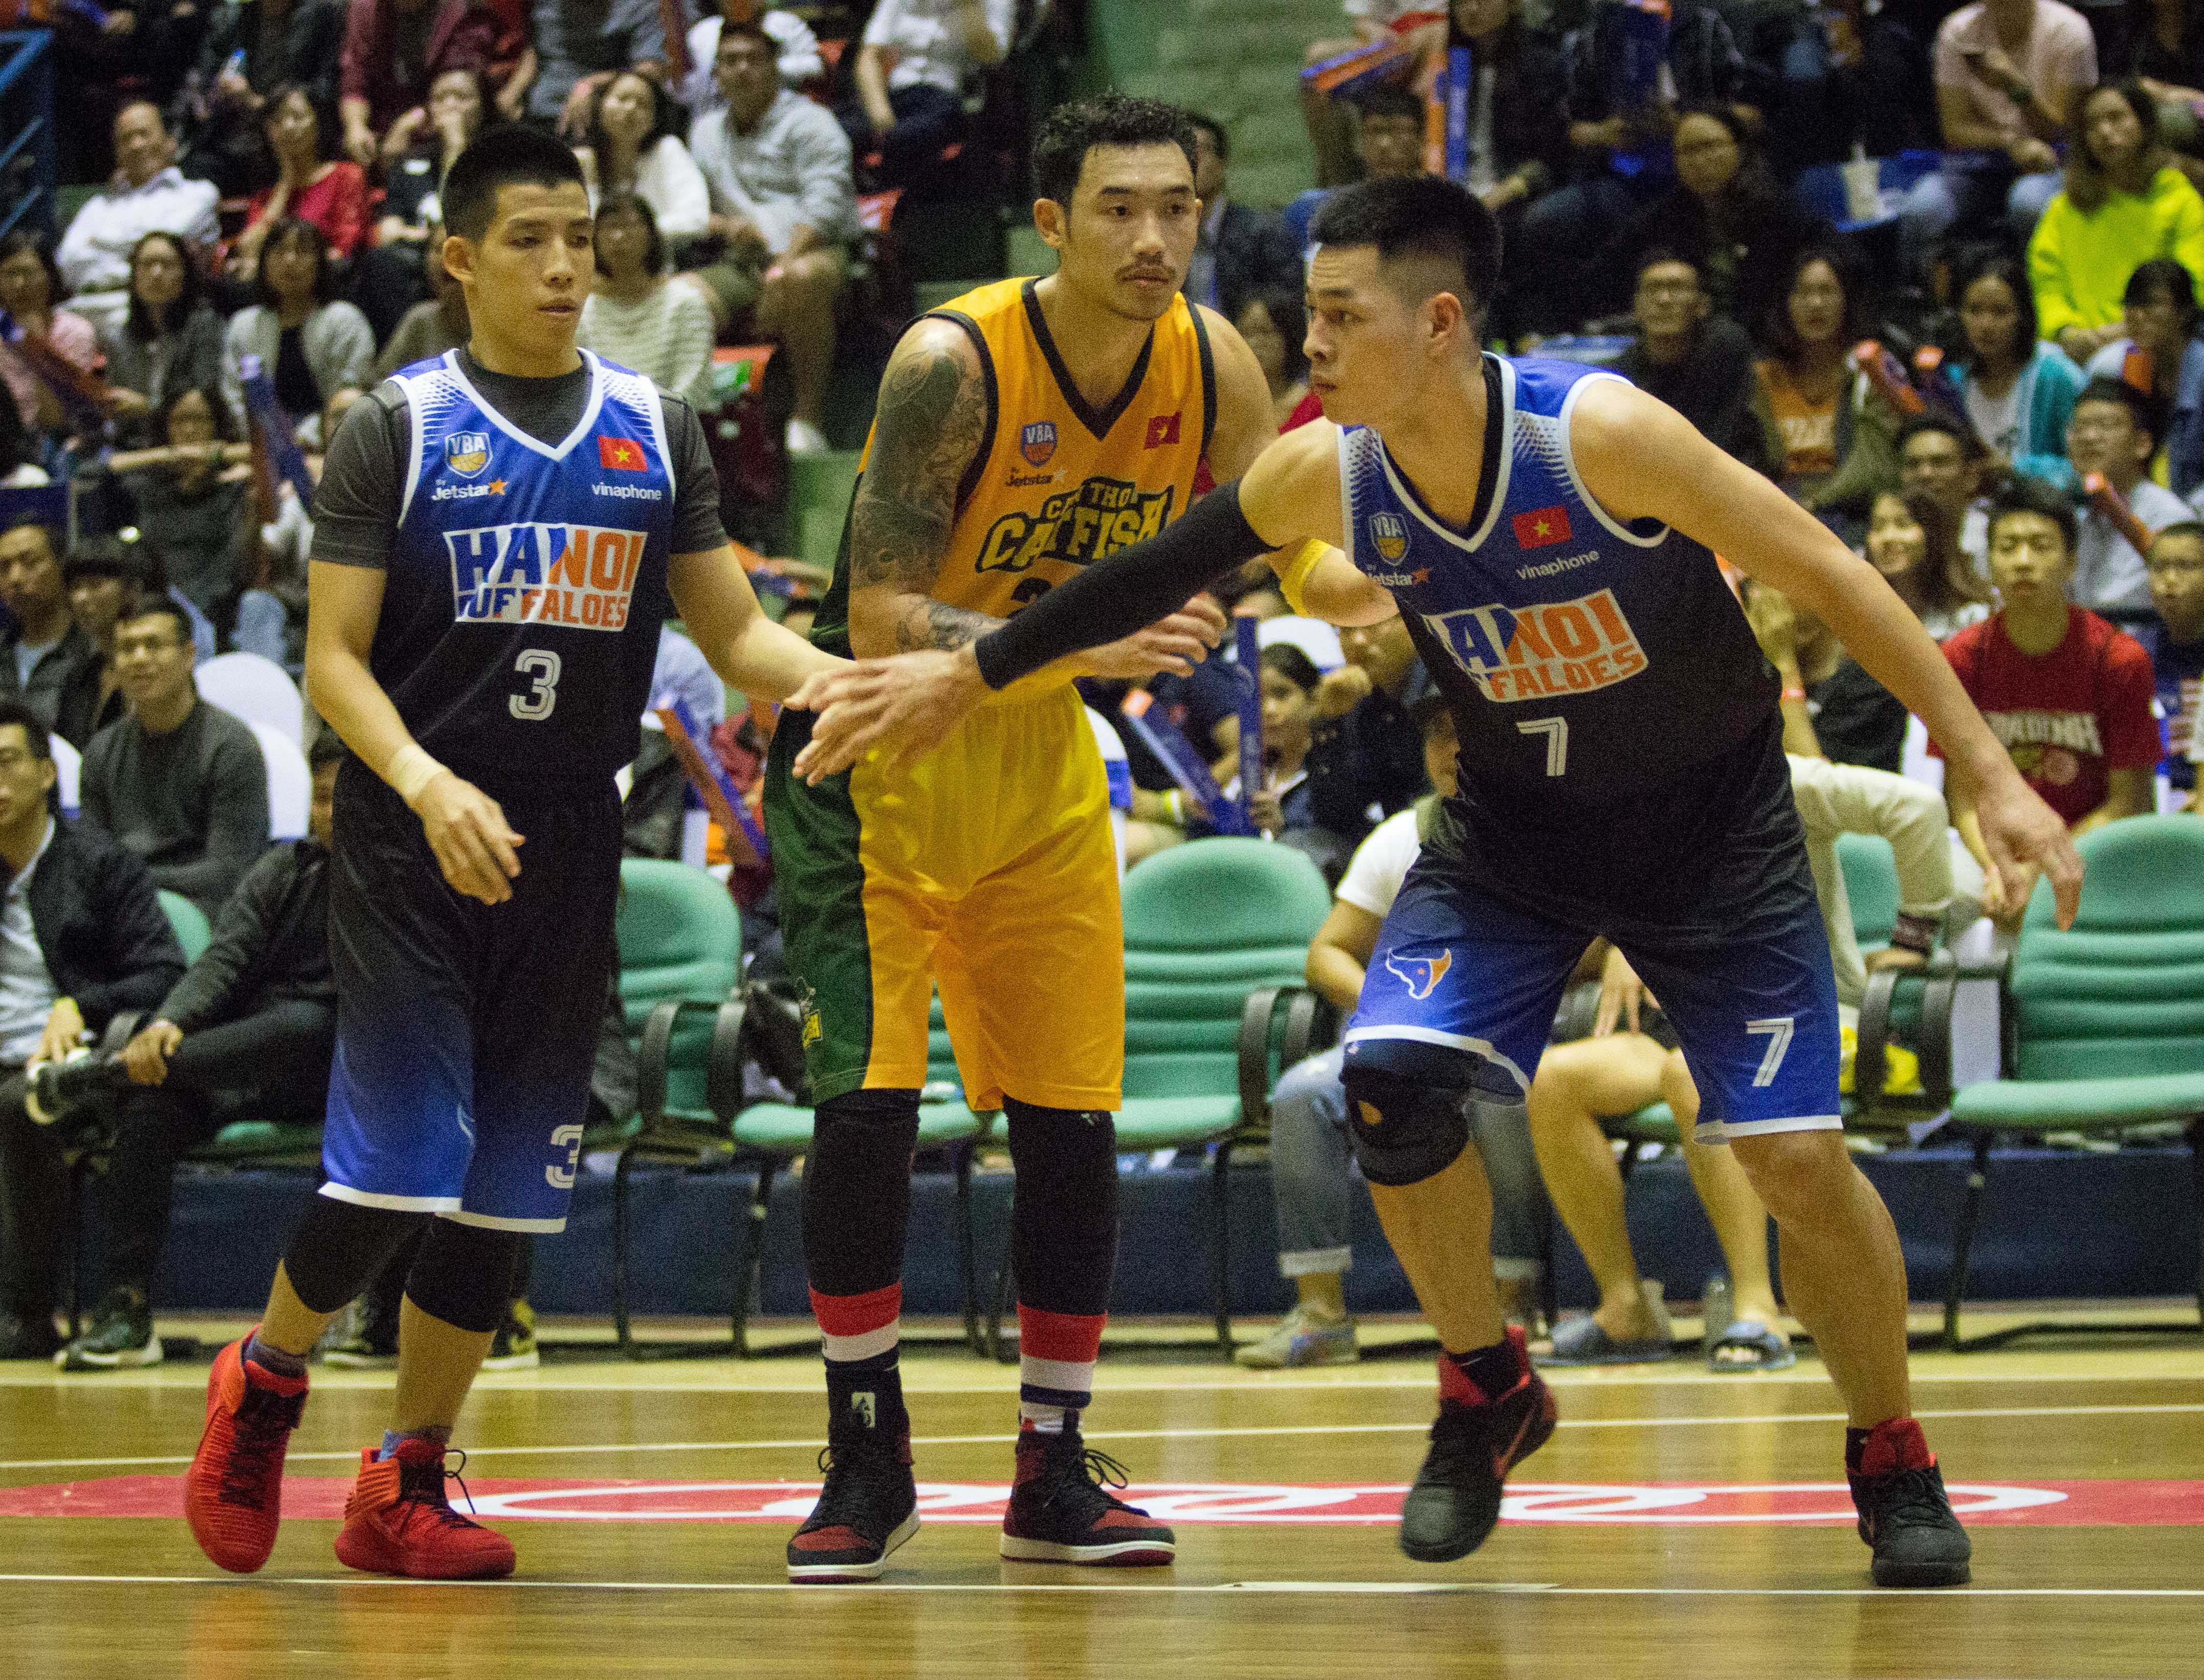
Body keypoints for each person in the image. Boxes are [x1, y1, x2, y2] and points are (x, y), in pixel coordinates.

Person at [796, 172, 2088, 1586]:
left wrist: (1988, 774)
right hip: (1513, 837)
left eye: (1340, 317)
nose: (1311, 345)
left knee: (1789, 1160)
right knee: (1386, 1086)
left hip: (1711, 834)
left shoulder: (1597, 435)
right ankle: (1485, 1385)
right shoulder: (1324, 472)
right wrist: (970, 670)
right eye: (1307, 314)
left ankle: (1890, 1450)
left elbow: (1830, 571)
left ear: (1439, 322)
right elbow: (1146, 574)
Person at [177, 122, 847, 1585]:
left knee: (504, 1188)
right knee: (404, 1163)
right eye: (530, 241)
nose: (563, 266)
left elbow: (736, 633)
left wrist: (861, 681)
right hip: (414, 831)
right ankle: (266, 1378)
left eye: (580, 238)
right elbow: (331, 662)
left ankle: (404, 1480)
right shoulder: (397, 428)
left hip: (568, 834)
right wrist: (425, 784)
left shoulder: (654, 428)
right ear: (460, 260)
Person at [759, 92, 1279, 1585]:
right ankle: (866, 1450)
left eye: (1176, 208)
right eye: (1118, 208)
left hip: (1038, 764)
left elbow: (1288, 528)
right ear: (1051, 222)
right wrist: (1088, 644)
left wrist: (1371, 586)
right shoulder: (951, 361)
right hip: (872, 756)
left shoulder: (1213, 362)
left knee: (1070, 1115)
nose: (1153, 237)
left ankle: (1051, 1462)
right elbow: (879, 616)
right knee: (866, 1113)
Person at [1531, 753, 1954, 1371]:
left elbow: (1917, 807)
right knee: (1552, 1081)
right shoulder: (1630, 790)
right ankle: (1625, 1308)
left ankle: (1757, 1306)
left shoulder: (1781, 776)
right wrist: (1619, 940)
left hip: (1804, 1014)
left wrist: (1914, 938)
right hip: (1683, 1021)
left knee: (1693, 1075)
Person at [1238, 698, 1549, 1369]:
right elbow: (1327, 953)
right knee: (1302, 1092)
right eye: (1440, 735)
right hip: (1408, 1037)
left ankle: (1513, 1300)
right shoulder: (1400, 837)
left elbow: (1591, 951)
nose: (1453, 749)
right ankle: (1320, 1314)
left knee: (1500, 1091)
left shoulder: (1551, 830)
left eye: (1468, 733)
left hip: (1510, 1037)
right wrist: (1386, 1006)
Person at [51, 732, 344, 1370]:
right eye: (322, 798)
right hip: (236, 1059)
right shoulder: (284, 869)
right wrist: (168, 1023)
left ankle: (105, 1075)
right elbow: (223, 957)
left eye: (345, 798)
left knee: (307, 1022)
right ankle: (126, 1311)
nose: (331, 813)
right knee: (154, 1101)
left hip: (338, 1070)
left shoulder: (404, 881)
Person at [0, 701, 186, 1361]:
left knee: (15, 1104)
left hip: (71, 1064)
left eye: (6, 763)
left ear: (47, 773)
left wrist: (79, 1005)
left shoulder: (100, 864)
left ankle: (24, 1314)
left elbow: (164, 970)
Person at [1935, 476, 2158, 863]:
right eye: (2008, 547)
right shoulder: (1962, 658)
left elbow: (2129, 804)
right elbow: (1963, 798)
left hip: (2096, 853)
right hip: (1994, 854)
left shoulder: (2119, 660)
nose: (2023, 562)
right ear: (1990, 563)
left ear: (2071, 562)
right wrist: (1998, 869)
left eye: (2041, 546)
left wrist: (2042, 869)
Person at [684, 21, 859, 458]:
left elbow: (826, 205)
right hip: (743, 260)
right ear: (717, 74)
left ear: (775, 68)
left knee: (798, 278)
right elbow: (691, 205)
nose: (742, 69)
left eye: (754, 59)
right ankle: (689, 430)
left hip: (816, 250)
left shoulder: (812, 122)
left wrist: (782, 266)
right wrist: (725, 227)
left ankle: (807, 419)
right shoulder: (704, 132)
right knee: (680, 297)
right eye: (731, 61)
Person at [80, 602, 272, 921]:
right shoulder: (101, 751)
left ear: (189, 655)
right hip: (123, 913)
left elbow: (232, 873)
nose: (139, 659)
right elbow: (89, 861)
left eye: (154, 645)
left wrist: (128, 878)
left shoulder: (231, 747)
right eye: (127, 649)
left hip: (205, 912)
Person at [1596, 106, 1828, 339]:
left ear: (1740, 149)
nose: (1698, 160)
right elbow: (1606, 271)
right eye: (1686, 151)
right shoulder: (1665, 215)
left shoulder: (1782, 213)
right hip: (1686, 342)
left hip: (1772, 340)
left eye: (1709, 146)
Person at [1899, 0, 2095, 270]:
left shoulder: (2070, 31)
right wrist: (2011, 142)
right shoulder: (1959, 31)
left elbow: (2068, 131)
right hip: (1980, 165)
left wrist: (2015, 87)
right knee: (1924, 207)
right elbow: (1954, 129)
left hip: (2055, 163)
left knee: (2029, 202)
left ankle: (2041, 291)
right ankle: (1927, 293)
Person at [2029, 81, 2204, 365]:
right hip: (2072, 344)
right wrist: (2066, 331)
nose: (2105, 132)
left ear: (2145, 124)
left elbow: (2193, 287)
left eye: (2116, 118)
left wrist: (2111, 335)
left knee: (2110, 364)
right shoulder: (2064, 208)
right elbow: (2046, 285)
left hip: (2152, 344)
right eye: (2092, 125)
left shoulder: (2179, 198)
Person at [1755, 248, 1901, 528]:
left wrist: (1814, 505)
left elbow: (1874, 465)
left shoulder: (1869, 368)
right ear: (1786, 303)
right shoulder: (1763, 377)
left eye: (1827, 291)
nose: (1816, 304)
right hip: (1777, 515)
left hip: (1854, 514)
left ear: (1847, 300)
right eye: (1803, 293)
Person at [116, 387, 271, 650]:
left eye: (199, 420)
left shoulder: (234, 486)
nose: (189, 430)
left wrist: (216, 456)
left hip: (226, 605)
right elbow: (100, 469)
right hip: (167, 607)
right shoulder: (148, 489)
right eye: (179, 421)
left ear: (216, 424)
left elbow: (275, 456)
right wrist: (167, 455)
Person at [55, 103, 222, 339]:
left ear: (170, 142)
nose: (136, 145)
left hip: (159, 313)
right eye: (126, 139)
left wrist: (100, 243)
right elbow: (68, 262)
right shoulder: (97, 207)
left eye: (144, 134)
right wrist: (135, 258)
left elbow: (163, 249)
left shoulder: (198, 195)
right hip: (86, 310)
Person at [354, 69, 494, 344]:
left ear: (483, 106)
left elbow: (459, 221)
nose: (450, 105)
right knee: (381, 262)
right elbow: (387, 233)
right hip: (418, 264)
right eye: (440, 98)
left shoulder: (497, 163)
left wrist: (456, 148)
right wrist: (430, 238)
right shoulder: (411, 165)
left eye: (462, 97)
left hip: (478, 261)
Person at [1615, 248, 1771, 475]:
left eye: (1677, 288)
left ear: (1702, 305)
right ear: (1637, 306)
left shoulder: (1726, 352)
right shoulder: (1619, 377)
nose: (1664, 300)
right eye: (1653, 289)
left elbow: (1727, 442)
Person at [220, 218, 376, 441]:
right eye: (279, 251)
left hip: (332, 442)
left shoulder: (344, 320)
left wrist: (302, 439)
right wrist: (269, 441)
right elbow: (234, 396)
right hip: (261, 443)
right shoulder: (243, 325)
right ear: (264, 263)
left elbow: (347, 396)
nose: (290, 260)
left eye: (302, 252)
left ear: (320, 263)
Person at [1945, 247, 2084, 484]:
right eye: (1974, 311)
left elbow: (2089, 471)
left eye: (2000, 312)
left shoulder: (2056, 376)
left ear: (2023, 317)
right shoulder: (1952, 382)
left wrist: (2017, 469)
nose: (1986, 325)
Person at [844, 0, 1013, 192]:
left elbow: (991, 58)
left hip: (948, 96)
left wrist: (970, 7)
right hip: (896, 94)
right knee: (839, 128)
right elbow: (869, 56)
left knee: (911, 135)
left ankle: (890, 196)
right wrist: (880, 113)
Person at [2066, 375, 2191, 613]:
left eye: (2106, 425)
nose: (2089, 437)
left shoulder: (2171, 518)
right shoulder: (2079, 515)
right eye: (2079, 427)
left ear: (2142, 444)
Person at [579, 195, 715, 410]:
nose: (618, 236)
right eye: (609, 227)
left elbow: (693, 389)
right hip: (602, 426)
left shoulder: (686, 303)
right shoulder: (581, 312)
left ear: (652, 235)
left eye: (629, 226)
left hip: (673, 424)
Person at [228, 84, 372, 285]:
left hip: (329, 282)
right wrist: (286, 182)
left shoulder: (346, 176)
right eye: (278, 121)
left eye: (298, 117)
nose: (288, 126)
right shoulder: (267, 196)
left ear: (317, 122)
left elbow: (345, 248)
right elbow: (250, 249)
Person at [2085, 257, 2204, 496]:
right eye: (2132, 304)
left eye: (2152, 304)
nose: (2138, 315)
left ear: (2184, 312)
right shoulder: (2115, 366)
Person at [98, 231, 227, 447]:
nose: (156, 273)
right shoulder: (121, 338)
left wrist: (147, 406)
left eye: (167, 265)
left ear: (184, 274)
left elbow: (207, 396)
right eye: (147, 265)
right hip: (134, 449)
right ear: (134, 276)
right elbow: (118, 414)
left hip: (191, 444)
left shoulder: (205, 325)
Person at [337, 0, 503, 164]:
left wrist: (407, 123)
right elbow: (355, 80)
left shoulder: (462, 11)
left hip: (443, 122)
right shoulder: (366, 8)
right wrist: (355, 126)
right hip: (381, 129)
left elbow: (454, 91)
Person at [1183, 114, 1302, 315]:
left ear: (1222, 163)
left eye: (1202, 150)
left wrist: (1261, 312)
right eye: (1184, 151)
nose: (1192, 160)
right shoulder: (1163, 235)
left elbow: (1291, 299)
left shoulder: (1262, 231)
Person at [0, 519, 103, 749]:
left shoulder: (94, 651)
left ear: (61, 566)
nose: (15, 578)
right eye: (4, 568)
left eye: (30, 563)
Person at [575, 70, 710, 241]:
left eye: (643, 104)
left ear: (655, 120)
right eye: (622, 99)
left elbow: (697, 219)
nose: (631, 108)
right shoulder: (581, 161)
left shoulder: (667, 149)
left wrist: (631, 235)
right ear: (600, 106)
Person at [0, 230, 100, 454]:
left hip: (60, 443)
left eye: (28, 273)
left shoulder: (76, 332)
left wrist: (34, 345)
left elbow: (55, 420)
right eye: (9, 274)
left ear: (50, 276)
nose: (19, 284)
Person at [1865, 488, 1993, 641]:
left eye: (1903, 524)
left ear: (1932, 534)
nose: (1888, 537)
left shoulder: (1971, 616)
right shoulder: (1862, 613)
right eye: (1878, 527)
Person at [62, 537, 155, 744]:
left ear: (132, 590)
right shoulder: (79, 677)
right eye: (75, 587)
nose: (81, 598)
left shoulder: (151, 668)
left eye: (96, 585)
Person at [523, 0, 666, 128]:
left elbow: (650, 70)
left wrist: (591, 85)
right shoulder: (546, 6)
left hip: (606, 115)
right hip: (540, 111)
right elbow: (533, 52)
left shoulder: (638, 7)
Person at [2141, 520, 2204, 802]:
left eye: (2186, 567)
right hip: (2154, 796)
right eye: (2159, 568)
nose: (2169, 579)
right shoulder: (2134, 655)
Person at [682, 0, 823, 116]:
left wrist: (764, 67)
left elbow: (816, 66)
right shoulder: (702, 32)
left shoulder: (784, 23)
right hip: (713, 119)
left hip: (775, 117)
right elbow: (687, 90)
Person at [1898, 413, 1994, 575]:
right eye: (1913, 464)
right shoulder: (1883, 544)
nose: (1925, 474)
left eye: (1940, 463)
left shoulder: (1993, 542)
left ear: (1971, 477)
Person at [373, 224, 470, 380]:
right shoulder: (422, 319)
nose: (445, 261)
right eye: (438, 249)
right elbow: (380, 383)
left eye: (457, 251)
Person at [1233, 289, 1321, 432]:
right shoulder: (1228, 408)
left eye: (1265, 332)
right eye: (1245, 333)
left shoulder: (1316, 407)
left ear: (1289, 337)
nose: (1253, 342)